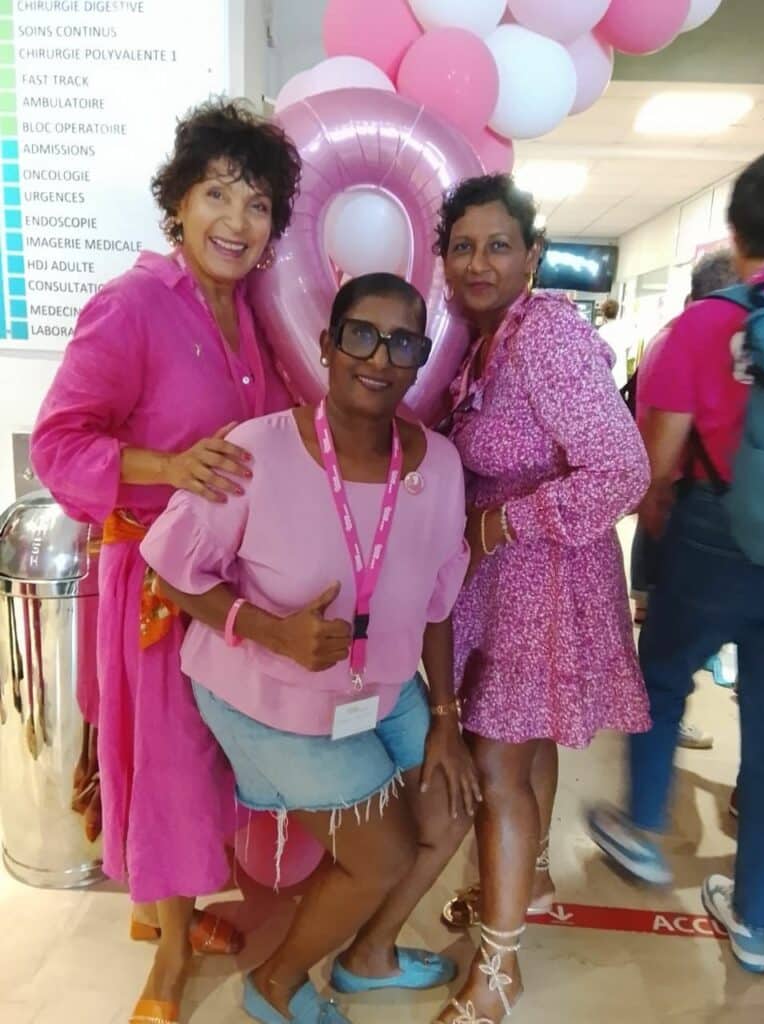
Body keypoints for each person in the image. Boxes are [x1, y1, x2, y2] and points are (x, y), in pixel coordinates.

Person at [141, 272, 482, 1024]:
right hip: (265, 692)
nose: (380, 357)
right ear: (327, 345)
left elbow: (438, 600)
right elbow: (170, 572)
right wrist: (271, 630)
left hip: (383, 687)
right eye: (361, 335)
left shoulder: (439, 465)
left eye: (403, 343)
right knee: (382, 853)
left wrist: (446, 720)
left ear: (421, 359)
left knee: (450, 807)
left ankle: (369, 958)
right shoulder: (255, 451)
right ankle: (275, 984)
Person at [31, 99, 302, 1024]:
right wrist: (167, 466)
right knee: (173, 767)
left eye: (258, 203)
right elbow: (60, 443)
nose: (236, 220)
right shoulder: (133, 305)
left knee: (210, 758)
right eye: (217, 193)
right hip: (153, 583)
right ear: (177, 204)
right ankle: (172, 953)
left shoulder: (255, 314)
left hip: (226, 586)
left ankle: (164, 907)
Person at [432, 174, 651, 1023]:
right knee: (523, 748)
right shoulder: (486, 340)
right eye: (462, 247)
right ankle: (522, 882)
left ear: (532, 254)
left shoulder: (547, 335)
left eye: (498, 245)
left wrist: (499, 524)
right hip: (507, 576)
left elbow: (622, 470)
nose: (478, 263)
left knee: (496, 766)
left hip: (542, 576)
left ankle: (499, 973)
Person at [587, 153, 764, 975]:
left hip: (714, 531)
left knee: (660, 678)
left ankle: (645, 830)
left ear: (736, 231)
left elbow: (655, 462)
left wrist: (654, 515)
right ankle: (757, 919)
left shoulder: (704, 326)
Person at [630, 249, 740, 752]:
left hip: (676, 496)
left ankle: (656, 714)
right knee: (671, 634)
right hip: (686, 499)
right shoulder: (698, 338)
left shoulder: (674, 337)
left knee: (665, 632)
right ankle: (658, 716)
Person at [599, 297, 635, 389]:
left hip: (606, 377)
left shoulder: (602, 331)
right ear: (617, 312)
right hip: (621, 378)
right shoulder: (624, 329)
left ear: (604, 313)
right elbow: (630, 350)